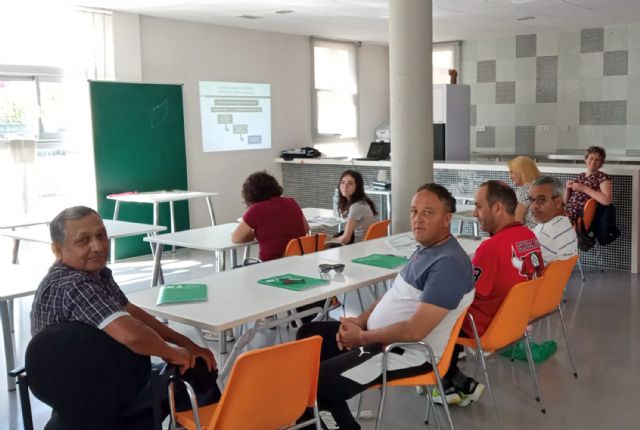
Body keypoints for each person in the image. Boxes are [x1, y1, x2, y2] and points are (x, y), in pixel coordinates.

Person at [297, 183, 475, 430]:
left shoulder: (448, 265)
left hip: (404, 352)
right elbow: (392, 294)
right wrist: (360, 321)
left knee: (321, 384)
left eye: (428, 212)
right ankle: (317, 418)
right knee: (308, 337)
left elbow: (415, 331)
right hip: (378, 338)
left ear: (447, 219)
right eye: (414, 211)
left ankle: (325, 414)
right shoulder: (425, 250)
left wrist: (362, 336)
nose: (417, 219)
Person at [30, 206, 221, 419]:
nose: (97, 246)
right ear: (57, 249)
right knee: (199, 373)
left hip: (82, 383)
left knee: (189, 365)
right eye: (83, 240)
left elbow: (130, 312)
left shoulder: (94, 274)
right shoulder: (74, 284)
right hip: (100, 390)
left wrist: (185, 342)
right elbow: (131, 334)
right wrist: (174, 353)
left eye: (101, 236)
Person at [436, 180, 544, 407]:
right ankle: (452, 375)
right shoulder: (528, 236)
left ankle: (438, 378)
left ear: (497, 208)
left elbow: (465, 295)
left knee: (436, 309)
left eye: (478, 206)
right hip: (515, 322)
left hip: (486, 325)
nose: (475, 213)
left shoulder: (491, 248)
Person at [232, 170, 309, 261]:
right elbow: (306, 229)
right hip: (298, 260)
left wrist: (255, 233)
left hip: (271, 264)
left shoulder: (255, 210)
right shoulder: (291, 202)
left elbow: (236, 238)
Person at [529, 176, 578, 265]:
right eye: (531, 200)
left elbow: (525, 270)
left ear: (558, 202)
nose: (534, 206)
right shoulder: (566, 223)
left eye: (542, 200)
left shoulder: (544, 234)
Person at [564, 146, 612, 224]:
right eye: (591, 158)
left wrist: (583, 188)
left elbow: (607, 201)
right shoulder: (581, 176)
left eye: (597, 160)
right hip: (567, 212)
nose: (593, 162)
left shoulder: (602, 177)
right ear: (586, 159)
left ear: (601, 163)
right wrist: (567, 189)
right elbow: (565, 202)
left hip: (580, 216)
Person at [334, 170, 378, 244]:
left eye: (350, 183)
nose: (345, 186)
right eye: (343, 182)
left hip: (358, 247)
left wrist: (327, 241)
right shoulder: (363, 202)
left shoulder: (356, 207)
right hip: (367, 245)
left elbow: (345, 239)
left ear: (357, 187)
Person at [507, 156, 541, 229]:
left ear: (521, 172)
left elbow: (517, 221)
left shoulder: (524, 190)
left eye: (511, 172)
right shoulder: (542, 186)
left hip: (530, 236)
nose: (510, 177)